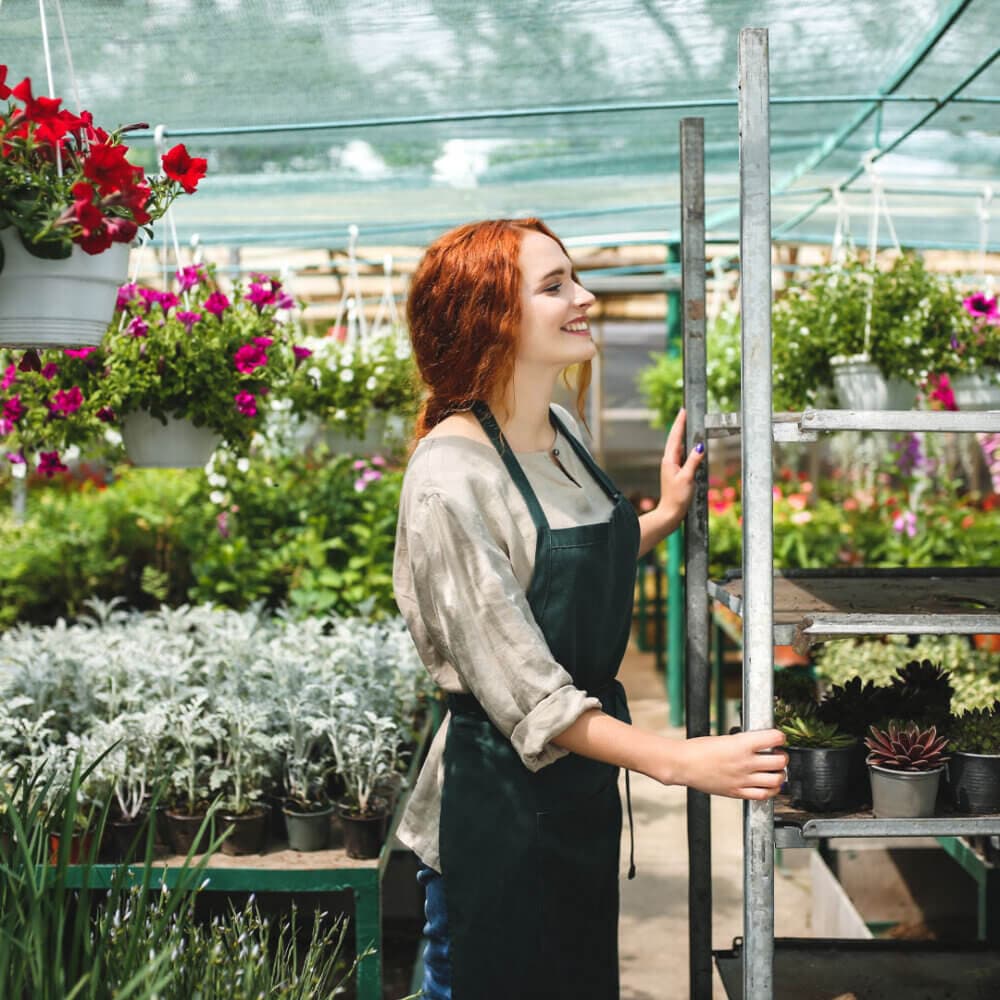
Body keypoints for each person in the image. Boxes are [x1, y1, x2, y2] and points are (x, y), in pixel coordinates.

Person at [392, 218, 787, 1000]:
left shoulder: (562, 432)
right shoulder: (448, 477)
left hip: (579, 791)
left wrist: (662, 518)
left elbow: (555, 564)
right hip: (499, 804)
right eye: (555, 286)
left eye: (573, 278)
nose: (586, 297)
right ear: (489, 318)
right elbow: (529, 694)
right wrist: (679, 760)